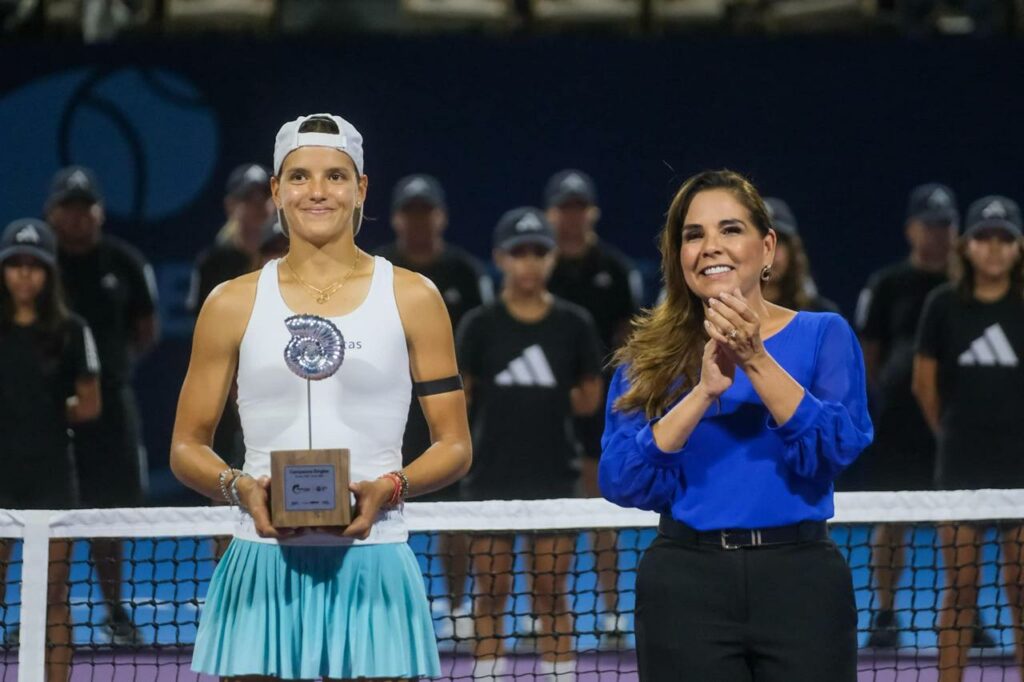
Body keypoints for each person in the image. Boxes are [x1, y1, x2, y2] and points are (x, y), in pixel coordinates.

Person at [170, 113, 471, 680]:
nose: (317, 191)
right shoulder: (229, 303)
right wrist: (239, 488)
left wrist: (393, 486)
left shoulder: (415, 297)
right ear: (277, 192)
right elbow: (186, 446)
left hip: (375, 562)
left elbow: (455, 444)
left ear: (360, 189)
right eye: (300, 176)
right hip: (261, 568)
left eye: (335, 176)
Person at [599, 169, 872, 682]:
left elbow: (836, 450)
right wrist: (702, 393)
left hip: (801, 583)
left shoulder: (824, 335)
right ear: (677, 255)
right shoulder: (646, 355)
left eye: (730, 229)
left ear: (767, 248)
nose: (710, 246)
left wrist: (755, 359)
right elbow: (621, 478)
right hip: (685, 586)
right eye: (693, 234)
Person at [456, 206, 604, 681]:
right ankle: (488, 673)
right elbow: (460, 395)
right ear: (500, 258)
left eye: (539, 252)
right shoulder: (478, 326)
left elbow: (589, 399)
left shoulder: (575, 324)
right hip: (490, 479)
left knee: (552, 590)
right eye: (519, 253)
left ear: (552, 258)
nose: (529, 263)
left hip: (555, 477)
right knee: (491, 589)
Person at [849, 184, 996, 649]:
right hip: (898, 426)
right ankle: (887, 614)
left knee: (962, 522)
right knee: (890, 520)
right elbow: (867, 354)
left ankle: (967, 615)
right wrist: (884, 399)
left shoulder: (971, 290)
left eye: (946, 225)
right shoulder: (886, 284)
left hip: (959, 426)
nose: (938, 234)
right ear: (911, 229)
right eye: (929, 225)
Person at [373, 173, 492, 644]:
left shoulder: (463, 272)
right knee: (380, 504)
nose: (419, 221)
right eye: (410, 212)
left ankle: (458, 607)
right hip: (388, 414)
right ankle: (385, 610)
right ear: (399, 218)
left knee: (453, 517)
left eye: (427, 212)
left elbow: (480, 341)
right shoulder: (379, 270)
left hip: (444, 413)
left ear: (439, 217)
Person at [912, 195, 1024, 682]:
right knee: (960, 590)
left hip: (1021, 473)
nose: (994, 249)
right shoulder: (942, 305)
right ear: (967, 246)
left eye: (1004, 239)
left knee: (1021, 591)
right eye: (984, 238)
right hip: (960, 471)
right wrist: (953, 435)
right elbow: (924, 384)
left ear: (1018, 247)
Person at [46, 165, 158, 646]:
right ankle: (43, 612)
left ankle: (114, 611)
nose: (76, 217)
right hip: (47, 412)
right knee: (47, 515)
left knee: (107, 514)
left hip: (110, 409)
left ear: (99, 212)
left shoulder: (124, 263)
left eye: (84, 207)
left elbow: (145, 330)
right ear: (52, 214)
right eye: (67, 208)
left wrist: (104, 370)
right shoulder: (36, 265)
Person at [543, 169, 641, 648]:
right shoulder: (542, 266)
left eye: (580, 207)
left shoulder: (616, 270)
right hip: (544, 414)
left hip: (601, 412)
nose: (572, 217)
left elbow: (630, 341)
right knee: (547, 516)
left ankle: (612, 611)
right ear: (551, 214)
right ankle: (547, 614)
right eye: (564, 208)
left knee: (603, 511)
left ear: (592, 213)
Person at [0, 218, 101, 679]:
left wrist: (45, 413)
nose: (24, 275)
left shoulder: (72, 330)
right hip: (2, 479)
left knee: (53, 595)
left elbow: (91, 403)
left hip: (53, 480)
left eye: (33, 266)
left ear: (48, 273)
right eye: (15, 265)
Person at [186, 163, 275, 472]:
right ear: (230, 206)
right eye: (247, 199)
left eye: (264, 197)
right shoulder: (214, 263)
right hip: (225, 391)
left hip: (277, 386)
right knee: (225, 475)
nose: (258, 207)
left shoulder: (294, 257)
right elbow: (205, 336)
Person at [761, 197, 841, 314]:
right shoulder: (727, 315)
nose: (771, 252)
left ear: (793, 252)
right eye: (762, 242)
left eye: (779, 241)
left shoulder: (820, 318)